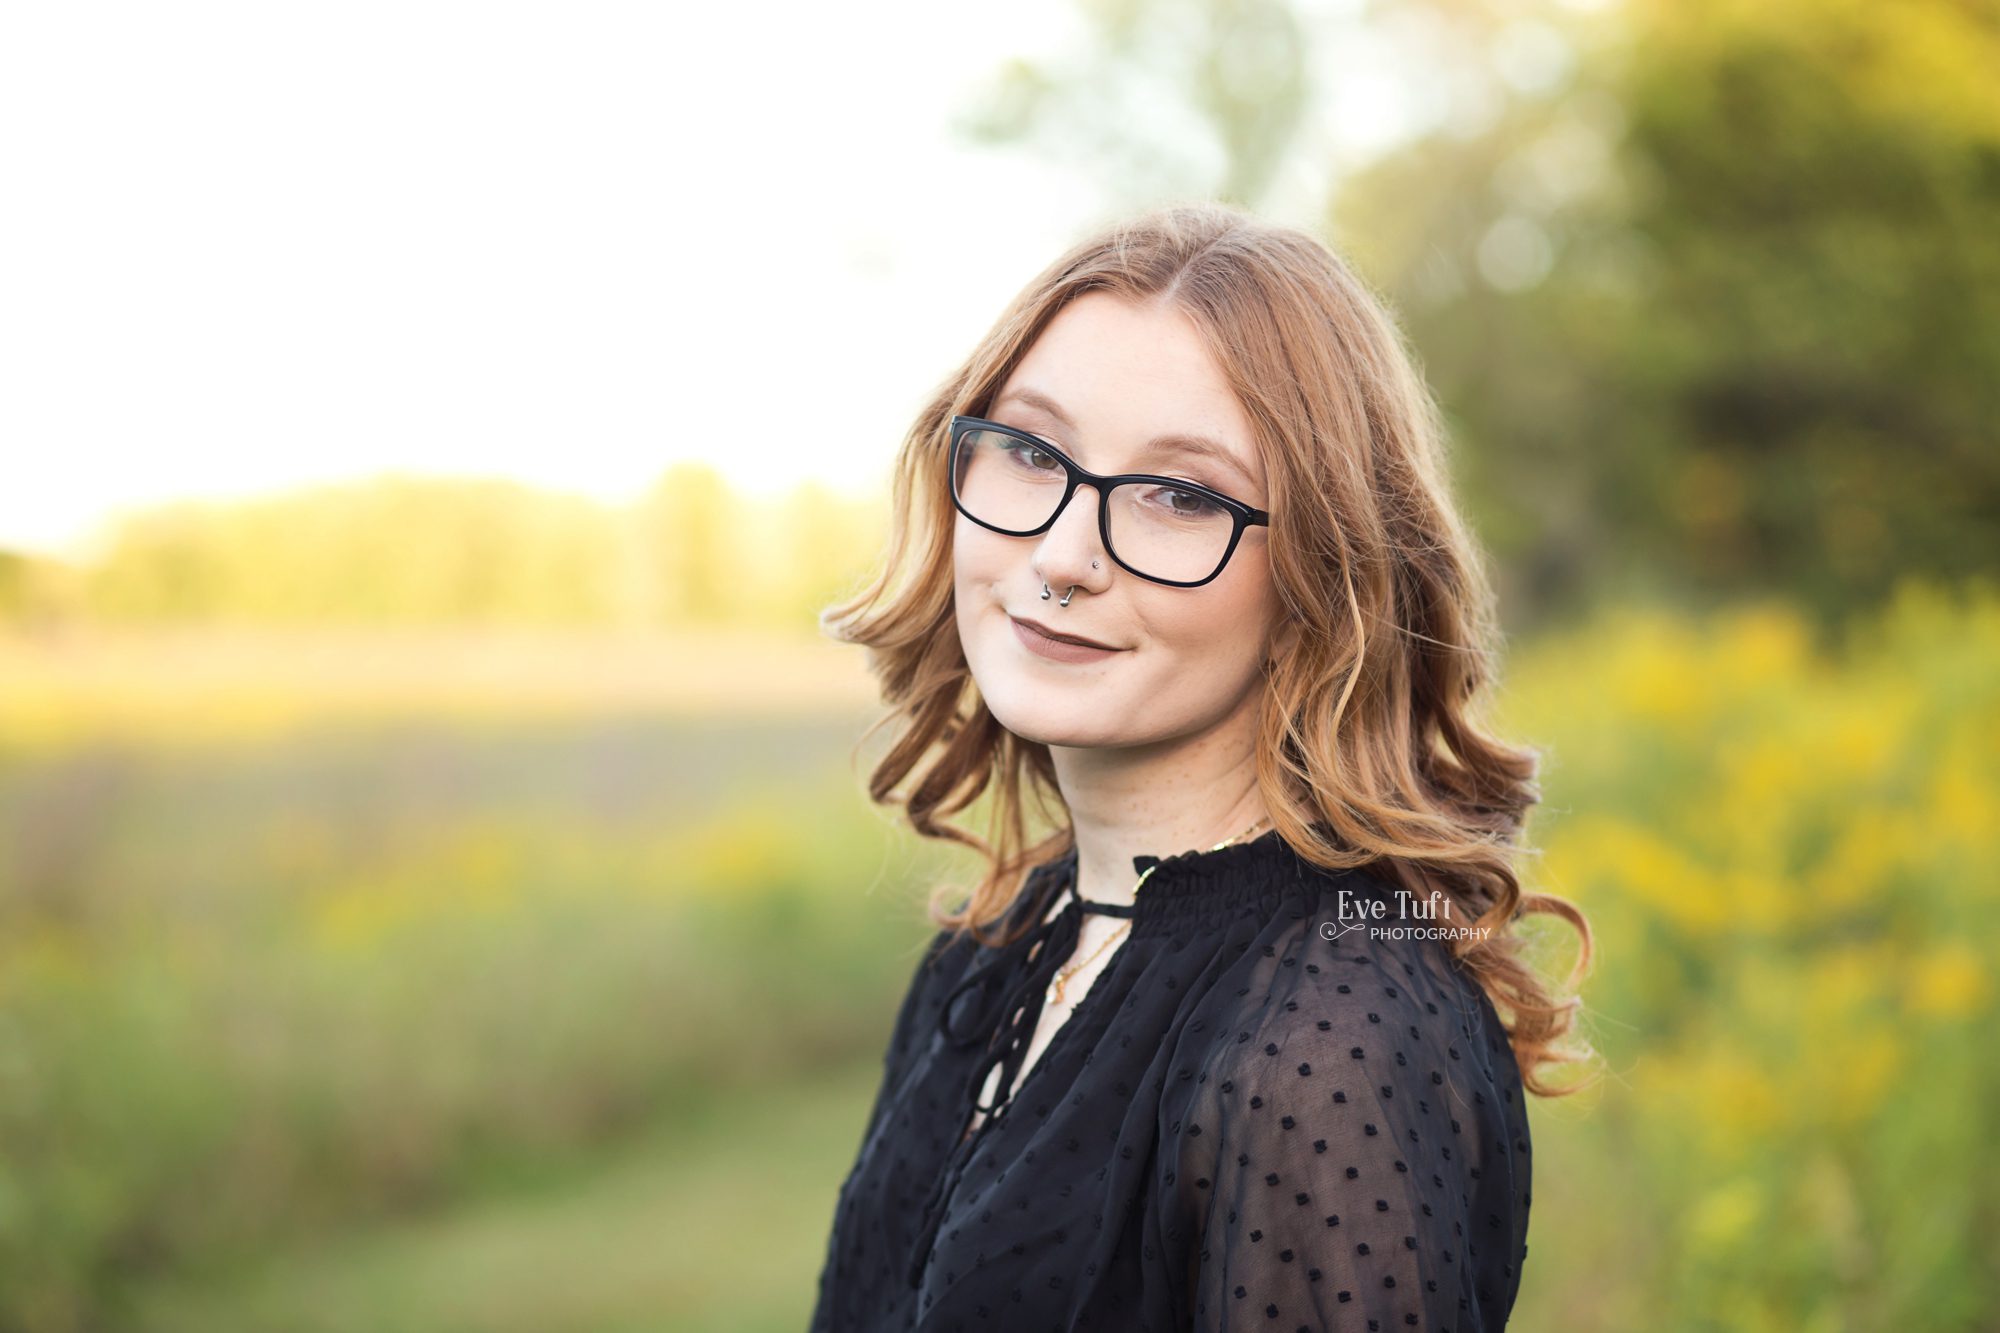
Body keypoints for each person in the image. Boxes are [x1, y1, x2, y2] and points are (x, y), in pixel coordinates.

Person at [808, 202, 1596, 1333]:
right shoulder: (1009, 942)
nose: (1063, 555)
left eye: (1180, 495)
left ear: (1323, 581)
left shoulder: (1326, 1045)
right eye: (1032, 452)